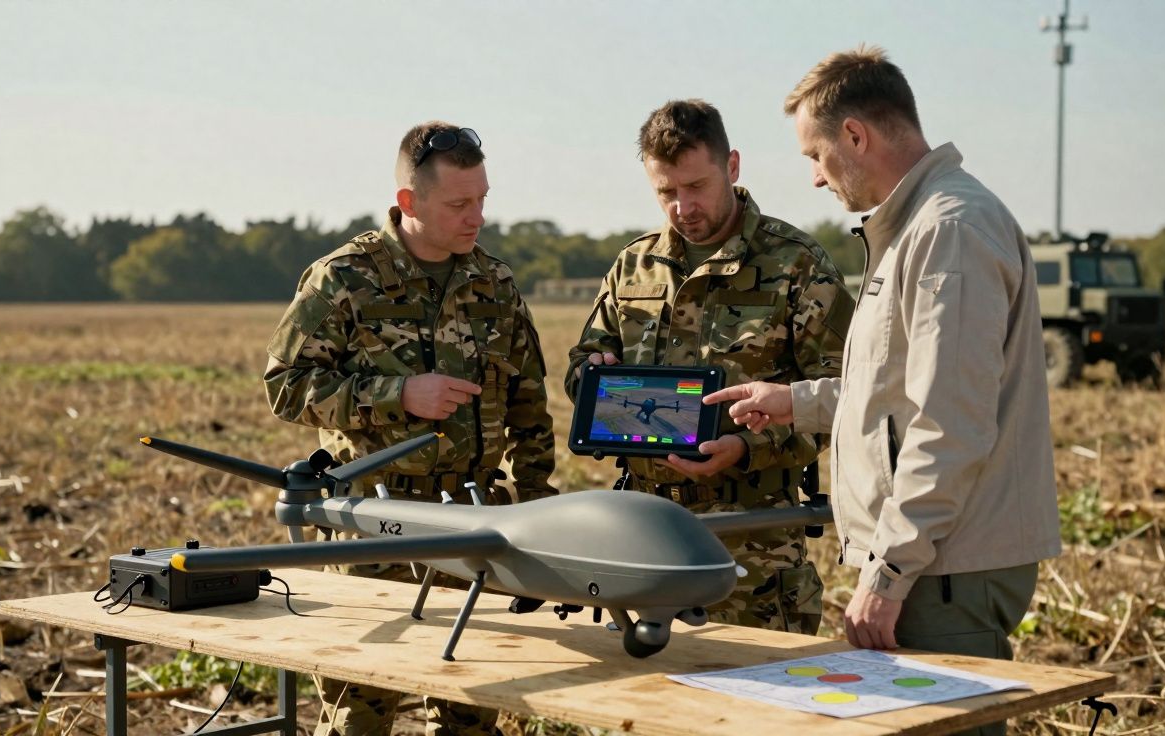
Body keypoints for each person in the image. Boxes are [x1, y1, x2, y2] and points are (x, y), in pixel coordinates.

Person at [707, 47, 1061, 732]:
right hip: (933, 560)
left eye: (814, 154)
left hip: (943, 570)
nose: (813, 178)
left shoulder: (948, 229)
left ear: (856, 136)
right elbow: (897, 387)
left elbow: (947, 423)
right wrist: (793, 403)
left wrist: (888, 574)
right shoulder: (916, 228)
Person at [264, 121, 556, 736]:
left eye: (482, 199)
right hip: (371, 529)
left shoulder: (495, 284)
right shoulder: (343, 278)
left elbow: (530, 404)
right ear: (408, 203)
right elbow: (286, 386)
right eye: (458, 204)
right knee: (358, 718)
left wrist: (535, 510)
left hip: (473, 528)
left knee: (472, 713)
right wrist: (399, 395)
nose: (475, 217)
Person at [566, 99, 853, 636]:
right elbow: (584, 359)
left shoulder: (797, 264)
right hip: (644, 536)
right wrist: (592, 374)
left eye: (696, 186)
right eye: (666, 192)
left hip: (753, 542)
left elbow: (845, 397)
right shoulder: (634, 265)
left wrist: (748, 448)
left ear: (733, 166)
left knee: (759, 706)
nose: (682, 207)